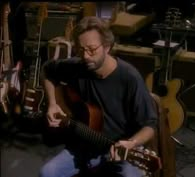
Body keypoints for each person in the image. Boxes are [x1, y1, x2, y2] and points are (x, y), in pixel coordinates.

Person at [40, 16, 158, 177]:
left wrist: (132, 143)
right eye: (80, 50)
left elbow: (150, 125)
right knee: (47, 173)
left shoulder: (129, 77)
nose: (86, 56)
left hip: (121, 149)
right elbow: (47, 70)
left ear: (107, 46)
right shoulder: (78, 66)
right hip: (84, 145)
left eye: (92, 49)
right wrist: (53, 104)